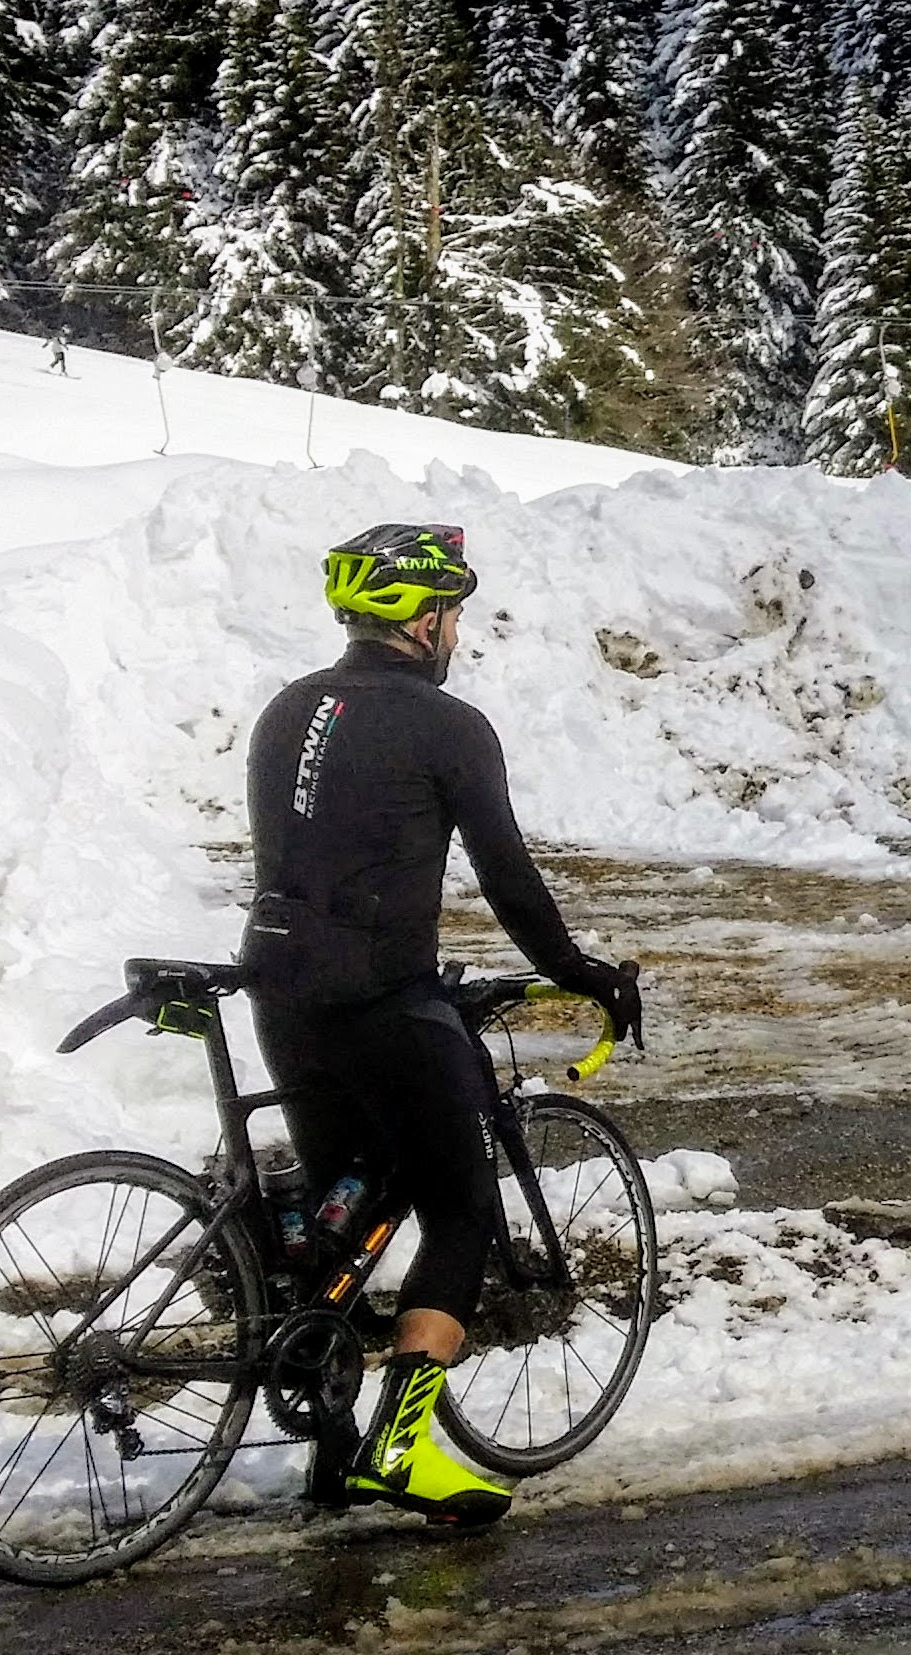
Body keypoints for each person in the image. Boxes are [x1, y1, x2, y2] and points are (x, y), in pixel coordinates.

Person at [241, 522, 642, 1527]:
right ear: (421, 619)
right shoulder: (448, 726)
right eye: (452, 610)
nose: (457, 628)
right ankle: (401, 1448)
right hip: (380, 995)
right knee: (459, 1210)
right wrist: (581, 973)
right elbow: (508, 878)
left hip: (280, 986)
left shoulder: (290, 709)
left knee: (344, 1211)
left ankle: (331, 1443)